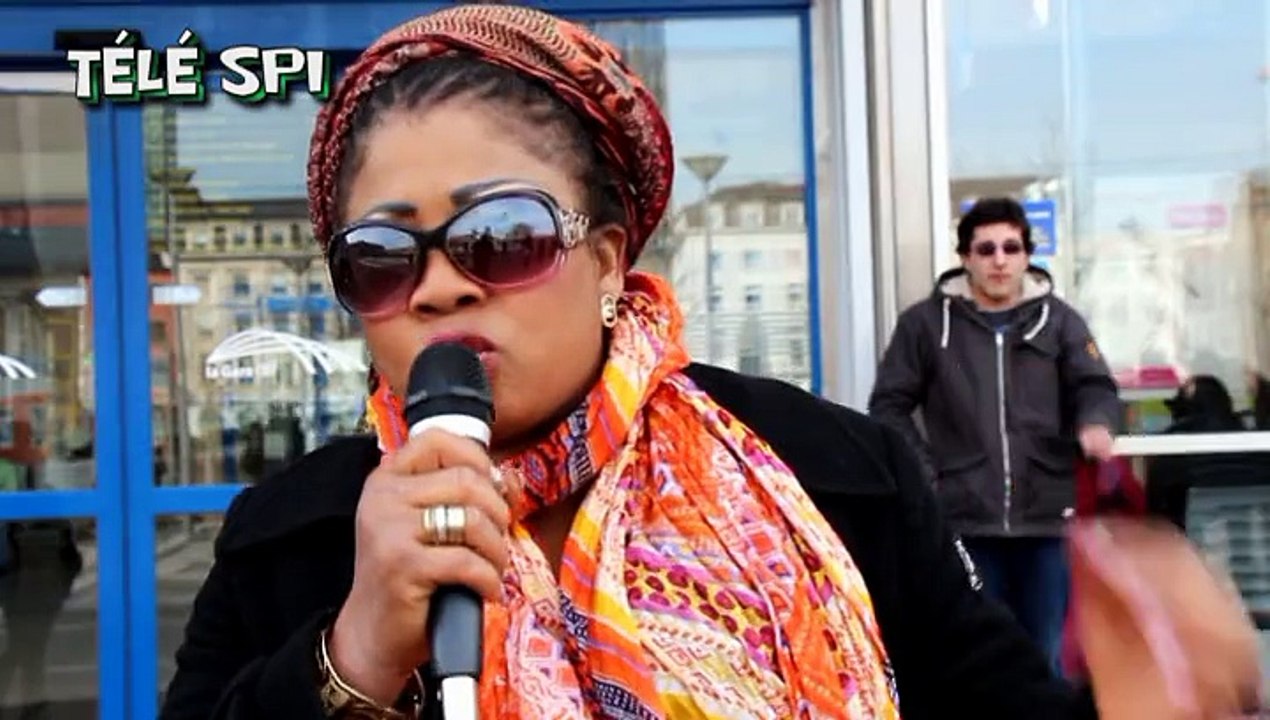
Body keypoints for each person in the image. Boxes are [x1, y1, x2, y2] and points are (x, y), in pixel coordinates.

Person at [158, 8, 1253, 720]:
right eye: (381, 257)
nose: (440, 286)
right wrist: (352, 657)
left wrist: (1147, 700)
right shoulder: (288, 541)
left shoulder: (834, 477)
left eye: (500, 236)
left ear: (604, 257)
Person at [868, 197, 1121, 673]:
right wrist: (927, 474)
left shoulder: (1060, 320)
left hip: (1046, 521)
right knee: (978, 661)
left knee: (1044, 657)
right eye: (986, 249)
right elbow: (888, 406)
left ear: (1027, 254)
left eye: (1011, 247)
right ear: (965, 257)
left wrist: (1096, 422)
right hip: (964, 524)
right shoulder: (926, 324)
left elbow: (1096, 384)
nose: (999, 260)